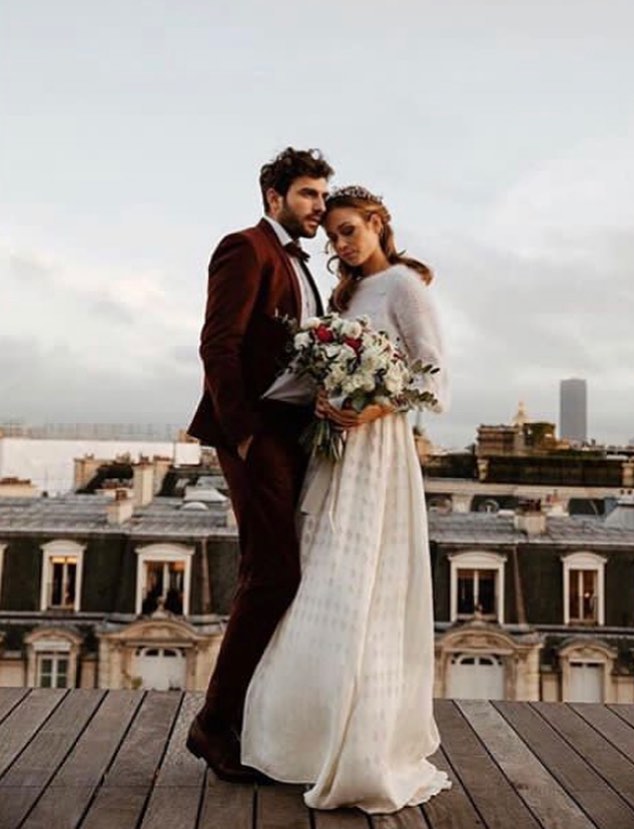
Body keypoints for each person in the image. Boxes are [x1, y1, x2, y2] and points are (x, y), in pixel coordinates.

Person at [241, 186, 452, 812]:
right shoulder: (349, 294)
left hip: (379, 451)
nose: (340, 244)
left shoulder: (406, 288)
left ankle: (362, 741)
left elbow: (433, 377)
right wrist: (322, 400)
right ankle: (308, 739)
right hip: (334, 450)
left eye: (350, 230)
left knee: (365, 587)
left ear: (378, 224)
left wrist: (372, 406)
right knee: (322, 581)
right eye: (333, 235)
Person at [186, 147, 334, 782]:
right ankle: (215, 724)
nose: (318, 209)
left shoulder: (301, 264)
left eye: (322, 198)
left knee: (275, 571)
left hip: (292, 431)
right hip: (257, 432)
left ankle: (251, 718)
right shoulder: (244, 247)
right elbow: (217, 343)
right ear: (274, 197)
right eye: (307, 195)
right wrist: (243, 435)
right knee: (273, 573)